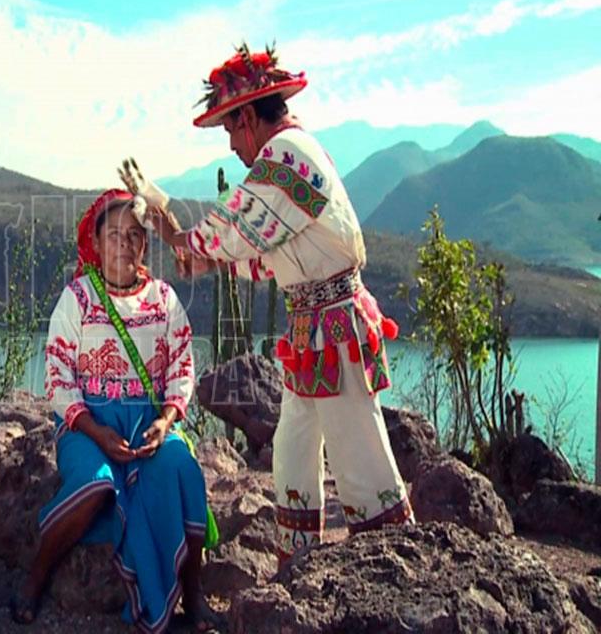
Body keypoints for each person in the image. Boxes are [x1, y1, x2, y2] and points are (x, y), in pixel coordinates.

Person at [120, 42, 414, 568]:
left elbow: (225, 237)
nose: (232, 145)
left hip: (333, 326)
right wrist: (167, 223)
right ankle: (299, 566)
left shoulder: (287, 157)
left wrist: (164, 210)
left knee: (359, 455)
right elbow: (231, 253)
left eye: (231, 130)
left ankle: (398, 571)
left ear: (249, 118)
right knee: (293, 452)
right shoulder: (287, 161)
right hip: (314, 329)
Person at [11, 189, 221, 632]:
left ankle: (193, 592)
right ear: (96, 241)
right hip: (89, 425)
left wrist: (165, 421)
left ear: (145, 244)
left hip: (148, 423)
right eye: (114, 235)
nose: (124, 244)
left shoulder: (164, 300)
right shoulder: (77, 300)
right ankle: (36, 577)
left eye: (134, 236)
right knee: (96, 484)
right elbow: (58, 377)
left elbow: (182, 367)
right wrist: (96, 431)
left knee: (182, 470)